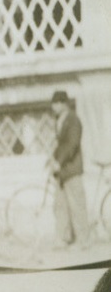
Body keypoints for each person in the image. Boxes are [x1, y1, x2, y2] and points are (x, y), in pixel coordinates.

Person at [50, 90, 90, 247]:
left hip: (72, 170)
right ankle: (64, 239)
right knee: (60, 206)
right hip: (61, 172)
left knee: (77, 206)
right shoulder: (60, 120)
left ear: (63, 104)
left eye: (55, 103)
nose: (53, 107)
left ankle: (84, 241)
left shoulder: (73, 120)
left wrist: (59, 162)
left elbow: (71, 145)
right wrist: (52, 159)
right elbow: (61, 145)